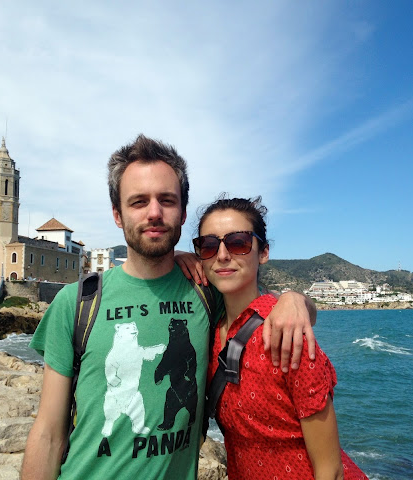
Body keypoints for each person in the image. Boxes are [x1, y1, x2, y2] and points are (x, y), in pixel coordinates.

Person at [21, 135, 316, 480]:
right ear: (117, 214)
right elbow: (48, 433)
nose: (154, 213)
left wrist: (295, 300)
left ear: (183, 212)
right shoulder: (77, 303)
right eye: (138, 202)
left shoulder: (207, 292)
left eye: (166, 200)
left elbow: (271, 309)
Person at [193, 195, 368, 480]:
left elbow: (331, 470)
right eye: (209, 245)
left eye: (238, 242)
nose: (222, 255)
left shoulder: (288, 335)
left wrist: (294, 298)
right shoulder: (210, 329)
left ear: (263, 252)